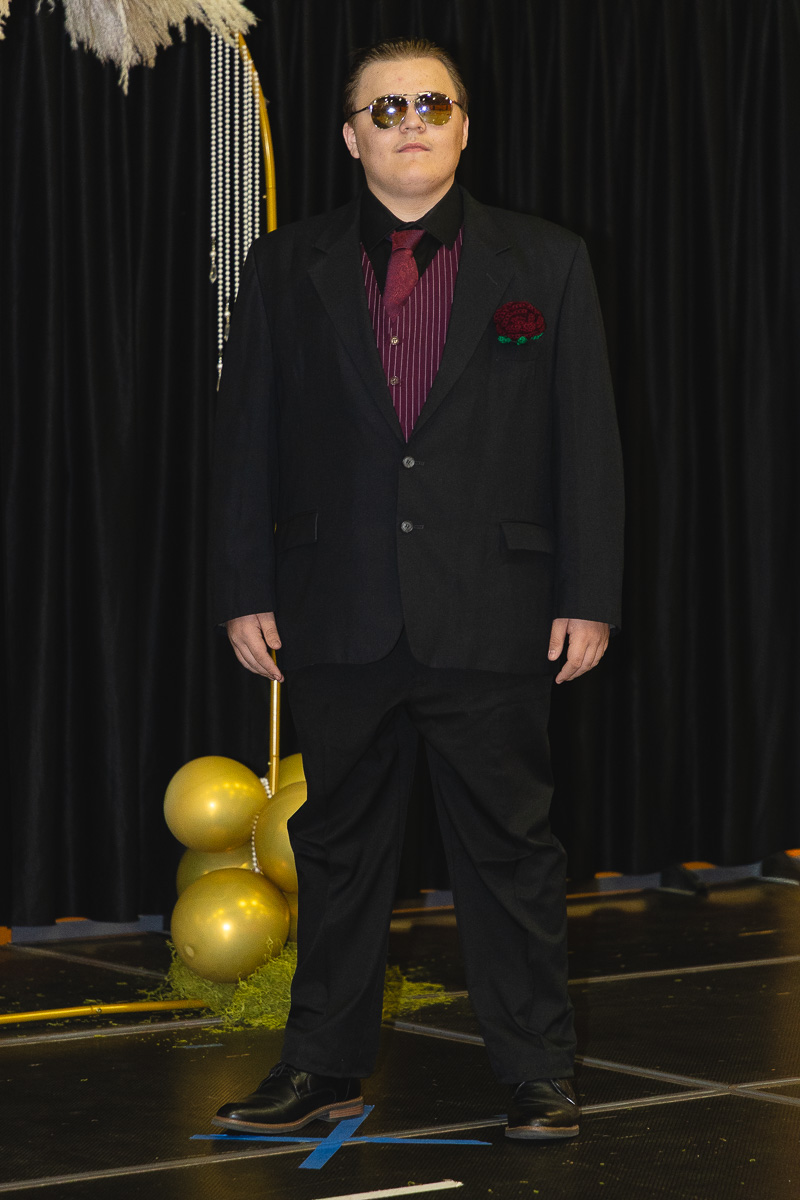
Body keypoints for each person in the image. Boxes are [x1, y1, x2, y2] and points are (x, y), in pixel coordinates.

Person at [208, 36, 623, 1142]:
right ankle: (319, 1068)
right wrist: (245, 583)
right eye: (384, 107)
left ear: (463, 126)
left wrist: (588, 592)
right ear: (349, 136)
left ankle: (537, 1071)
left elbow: (585, 442)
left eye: (430, 104)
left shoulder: (545, 263)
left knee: (508, 853)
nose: (410, 121)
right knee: (338, 851)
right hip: (334, 608)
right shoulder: (282, 267)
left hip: (492, 611)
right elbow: (246, 439)